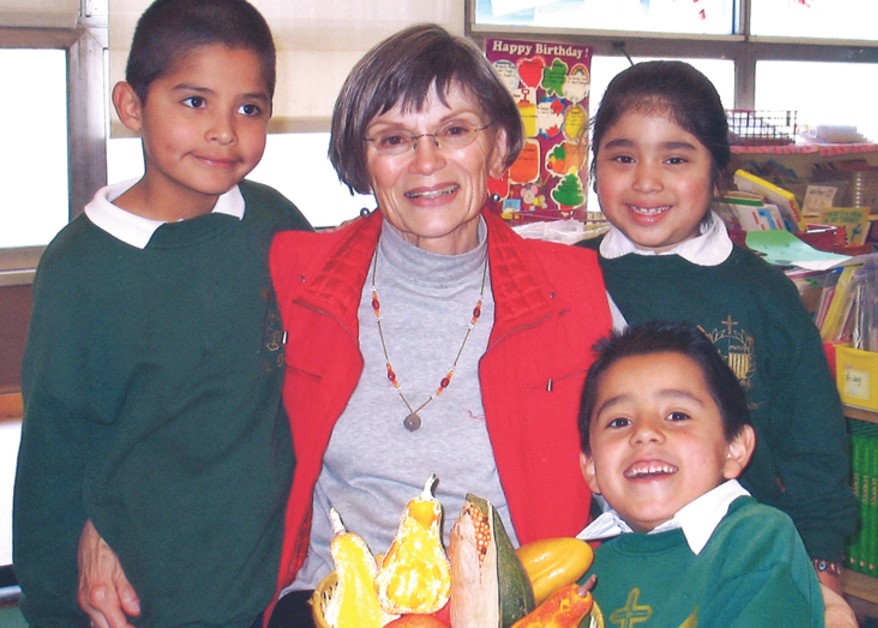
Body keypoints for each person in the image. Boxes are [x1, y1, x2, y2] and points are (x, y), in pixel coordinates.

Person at [265, 23, 613, 625]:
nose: (426, 162)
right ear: (361, 160)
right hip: (333, 606)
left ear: (499, 145)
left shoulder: (577, 291)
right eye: (393, 138)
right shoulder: (295, 277)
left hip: (513, 608)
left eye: (454, 131)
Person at [12, 1, 312, 626]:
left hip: (279, 585)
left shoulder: (276, 223)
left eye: (249, 108)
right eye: (194, 102)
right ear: (131, 106)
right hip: (151, 599)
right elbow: (52, 458)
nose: (224, 131)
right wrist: (54, 604)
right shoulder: (80, 269)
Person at [579, 60, 857, 597]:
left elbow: (814, 442)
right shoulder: (566, 278)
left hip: (741, 561)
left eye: (676, 158)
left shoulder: (763, 293)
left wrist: (822, 566)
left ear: (717, 172)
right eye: (622, 157)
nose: (646, 181)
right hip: (604, 566)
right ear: (594, 169)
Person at [576, 321, 824, 626]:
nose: (644, 433)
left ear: (734, 448)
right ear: (590, 466)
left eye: (677, 415)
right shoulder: (586, 571)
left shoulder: (755, 540)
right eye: (619, 422)